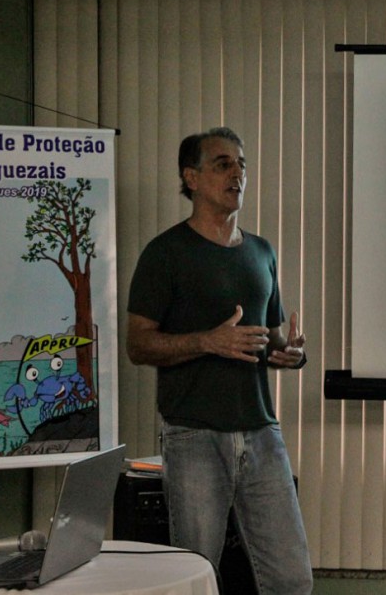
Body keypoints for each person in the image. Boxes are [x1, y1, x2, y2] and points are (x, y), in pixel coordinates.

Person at [126, 126, 313, 594]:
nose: (237, 174)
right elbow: (139, 345)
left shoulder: (261, 252)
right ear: (191, 178)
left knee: (291, 579)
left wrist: (287, 352)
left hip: (260, 430)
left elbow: (266, 339)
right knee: (195, 577)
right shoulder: (165, 254)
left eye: (241, 164)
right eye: (223, 164)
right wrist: (207, 342)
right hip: (193, 434)